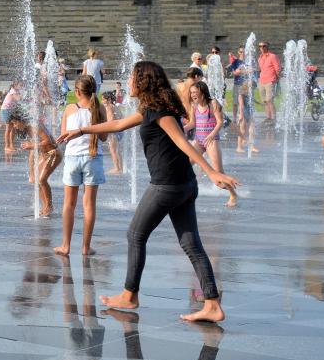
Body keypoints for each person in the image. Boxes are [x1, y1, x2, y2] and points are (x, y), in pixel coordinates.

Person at [56, 60, 239, 323]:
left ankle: (130, 294)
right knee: (191, 243)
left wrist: (212, 172)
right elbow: (117, 126)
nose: (128, 82)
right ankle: (212, 303)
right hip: (183, 185)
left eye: (132, 77)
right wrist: (82, 130)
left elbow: (182, 142)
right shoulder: (151, 109)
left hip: (167, 185)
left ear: (143, 81)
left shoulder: (161, 112)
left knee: (135, 234)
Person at [57, 75, 107, 256]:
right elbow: (103, 137)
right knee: (89, 205)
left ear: (77, 92)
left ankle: (65, 246)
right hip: (93, 158)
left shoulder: (70, 109)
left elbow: (63, 136)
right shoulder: (99, 108)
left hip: (72, 158)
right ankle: (86, 247)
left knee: (69, 204)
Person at [185, 80, 236, 208]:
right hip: (199, 141)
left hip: (211, 141)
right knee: (185, 166)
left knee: (218, 172)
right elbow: (192, 123)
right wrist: (180, 129)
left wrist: (212, 135)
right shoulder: (194, 106)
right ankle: (184, 193)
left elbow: (220, 122)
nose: (193, 95)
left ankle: (233, 194)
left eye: (195, 92)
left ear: (203, 92)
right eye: (191, 93)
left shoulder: (213, 103)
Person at [256, 41, 280, 122]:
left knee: (269, 100)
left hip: (270, 81)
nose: (262, 48)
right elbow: (260, 69)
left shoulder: (273, 56)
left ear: (267, 47)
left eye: (264, 46)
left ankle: (274, 118)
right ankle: (268, 117)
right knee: (265, 101)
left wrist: (277, 80)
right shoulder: (259, 58)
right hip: (262, 81)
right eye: (260, 46)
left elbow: (277, 69)